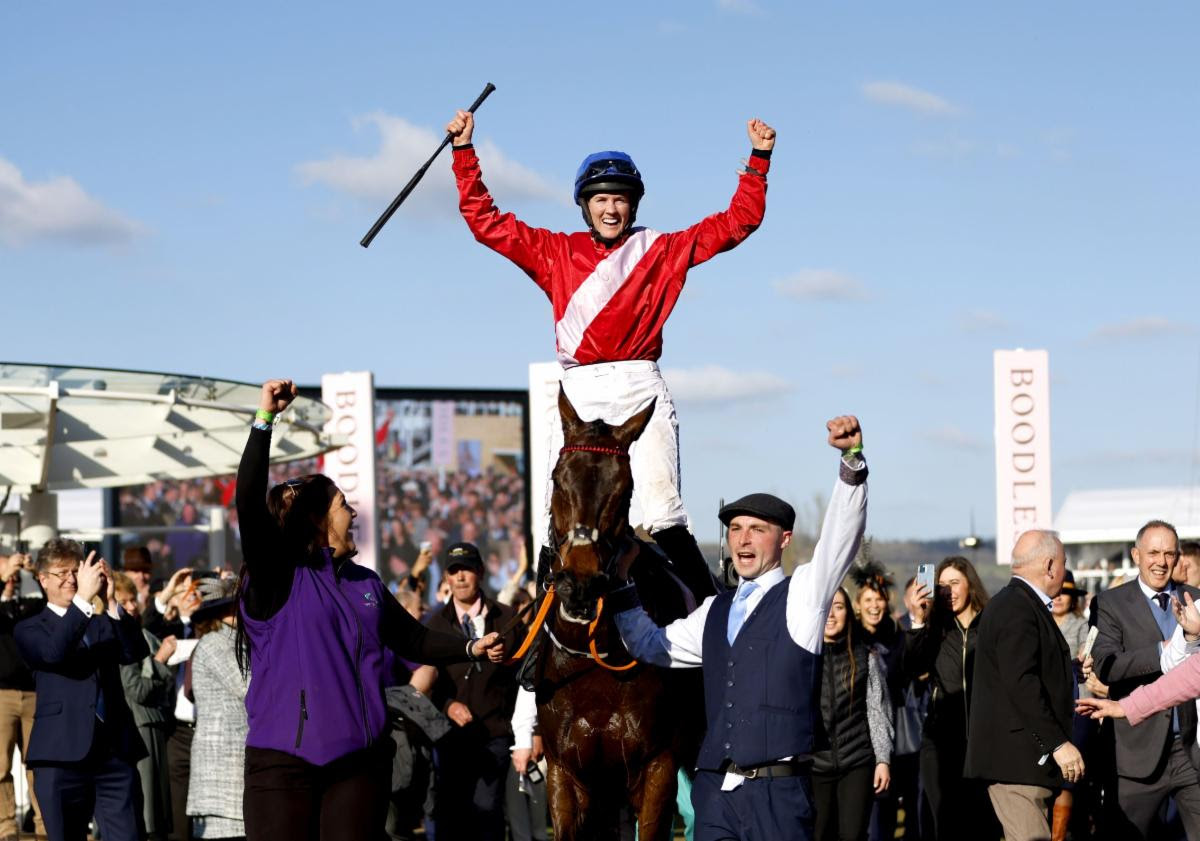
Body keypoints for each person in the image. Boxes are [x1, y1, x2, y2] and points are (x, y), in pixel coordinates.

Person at [447, 108, 776, 601]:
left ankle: (713, 616)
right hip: (578, 391)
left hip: (639, 385)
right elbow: (485, 222)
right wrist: (464, 153)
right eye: (601, 199)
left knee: (662, 510)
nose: (611, 209)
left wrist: (759, 160)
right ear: (585, 206)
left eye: (620, 200)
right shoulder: (555, 251)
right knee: (552, 521)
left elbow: (737, 223)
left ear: (633, 206)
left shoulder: (661, 249)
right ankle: (540, 645)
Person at [235, 379, 505, 841]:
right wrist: (265, 420)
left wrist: (472, 646)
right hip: (283, 765)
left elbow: (414, 640)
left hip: (359, 765)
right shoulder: (277, 577)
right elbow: (247, 500)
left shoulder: (367, 584)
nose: (353, 513)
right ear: (318, 520)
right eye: (343, 505)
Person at [611, 415, 867, 841]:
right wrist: (620, 585)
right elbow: (652, 645)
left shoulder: (804, 595)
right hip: (714, 792)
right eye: (735, 529)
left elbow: (841, 539)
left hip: (778, 794)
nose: (743, 540)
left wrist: (852, 461)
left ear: (784, 539)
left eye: (756, 530)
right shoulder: (713, 610)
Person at [14, 540, 150, 841]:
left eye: (76, 571)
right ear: (42, 578)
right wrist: (84, 602)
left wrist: (111, 601)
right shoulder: (30, 628)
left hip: (113, 754)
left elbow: (134, 651)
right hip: (60, 755)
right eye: (62, 572)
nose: (72, 579)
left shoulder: (101, 623)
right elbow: (54, 653)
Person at [964, 529, 1080, 841]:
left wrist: (1071, 671)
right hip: (1017, 765)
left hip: (1023, 764)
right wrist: (1058, 743)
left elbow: (1022, 671)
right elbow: (1021, 682)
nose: (1064, 570)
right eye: (1064, 563)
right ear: (1050, 565)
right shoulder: (1016, 607)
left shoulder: (1017, 604)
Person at [1089, 519, 1200, 839]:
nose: (1161, 562)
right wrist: (1165, 651)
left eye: (1169, 553)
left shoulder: (1196, 599)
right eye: (1153, 552)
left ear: (1178, 557)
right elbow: (1106, 666)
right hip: (1136, 753)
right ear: (1136, 555)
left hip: (1190, 749)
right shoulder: (1110, 603)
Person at [421, 542, 521, 841]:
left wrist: (532, 732)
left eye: (466, 568)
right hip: (449, 738)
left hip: (495, 735)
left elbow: (526, 677)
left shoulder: (508, 619)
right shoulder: (433, 625)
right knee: (451, 814)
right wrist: (448, 704)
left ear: (480, 571)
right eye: (453, 571)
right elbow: (425, 685)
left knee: (487, 811)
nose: (460, 577)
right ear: (446, 579)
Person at [903, 556, 993, 840]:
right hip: (941, 742)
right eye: (942, 585)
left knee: (982, 824)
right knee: (946, 825)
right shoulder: (935, 629)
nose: (948, 591)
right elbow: (913, 666)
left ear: (971, 586)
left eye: (955, 583)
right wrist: (918, 619)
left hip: (984, 743)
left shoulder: (991, 625)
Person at [812, 587, 893, 841]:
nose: (832, 615)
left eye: (839, 606)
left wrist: (882, 759)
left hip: (857, 762)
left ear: (849, 612)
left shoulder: (866, 656)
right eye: (826, 607)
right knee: (819, 833)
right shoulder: (803, 659)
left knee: (853, 834)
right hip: (814, 765)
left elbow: (877, 710)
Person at [113, 572, 176, 841]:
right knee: (148, 816)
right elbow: (136, 689)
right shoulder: (120, 638)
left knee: (157, 817)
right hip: (140, 727)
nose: (131, 606)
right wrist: (160, 660)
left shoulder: (140, 633)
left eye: (132, 600)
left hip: (155, 724)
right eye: (123, 601)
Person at [186, 578, 246, 841]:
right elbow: (249, 687)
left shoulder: (239, 644)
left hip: (234, 774)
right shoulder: (215, 644)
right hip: (221, 775)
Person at [0, 550, 46, 841]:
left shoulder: (28, 607)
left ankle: (43, 822)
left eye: (15, 577)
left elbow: (51, 605)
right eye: (8, 576)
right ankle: (5, 824)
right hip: (1, 695)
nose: (12, 580)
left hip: (33, 693)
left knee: (39, 763)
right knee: (0, 764)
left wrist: (33, 571)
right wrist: (2, 576)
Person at [1048, 570, 1092, 841]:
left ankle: (1059, 834)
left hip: (1077, 708)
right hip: (1048, 709)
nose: (1060, 597)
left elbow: (1087, 657)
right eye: (1056, 592)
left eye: (1066, 593)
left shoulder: (1080, 626)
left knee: (1069, 778)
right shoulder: (1040, 622)